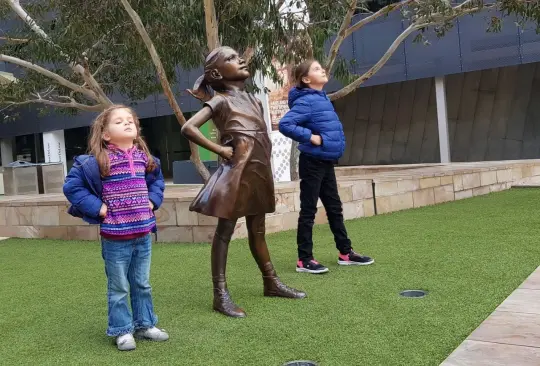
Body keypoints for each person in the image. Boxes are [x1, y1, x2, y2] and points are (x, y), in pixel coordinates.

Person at [182, 46, 306, 318]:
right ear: (215, 73)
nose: (240, 59)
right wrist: (221, 150)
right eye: (230, 58)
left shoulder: (253, 99)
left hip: (258, 170)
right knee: (224, 231)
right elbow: (188, 127)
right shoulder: (220, 101)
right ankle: (220, 294)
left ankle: (270, 281)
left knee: (258, 230)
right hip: (236, 172)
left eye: (239, 56)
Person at [63, 105, 168, 351]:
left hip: (143, 234)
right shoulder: (97, 161)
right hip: (115, 237)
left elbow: (157, 183)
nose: (127, 123)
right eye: (119, 121)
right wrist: (98, 208)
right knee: (119, 286)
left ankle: (145, 324)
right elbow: (72, 187)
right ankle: (122, 330)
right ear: (106, 134)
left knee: (142, 283)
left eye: (130, 120)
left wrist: (153, 201)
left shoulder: (146, 158)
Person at [279, 60, 374, 275]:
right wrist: (311, 137)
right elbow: (285, 124)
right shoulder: (307, 101)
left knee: (334, 208)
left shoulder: (320, 98)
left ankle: (346, 253)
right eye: (316, 69)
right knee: (309, 210)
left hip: (326, 161)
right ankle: (304, 259)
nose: (322, 70)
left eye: (321, 67)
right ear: (305, 79)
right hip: (312, 162)